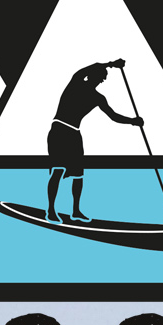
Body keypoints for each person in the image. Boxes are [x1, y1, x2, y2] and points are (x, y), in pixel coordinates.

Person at [44, 59, 142, 219]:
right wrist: (110, 64)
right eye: (98, 76)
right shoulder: (75, 83)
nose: (99, 80)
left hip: (75, 134)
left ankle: (76, 211)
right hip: (59, 131)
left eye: (101, 78)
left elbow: (113, 116)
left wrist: (132, 121)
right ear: (90, 75)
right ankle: (51, 210)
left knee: (78, 175)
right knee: (58, 170)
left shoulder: (98, 98)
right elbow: (89, 68)